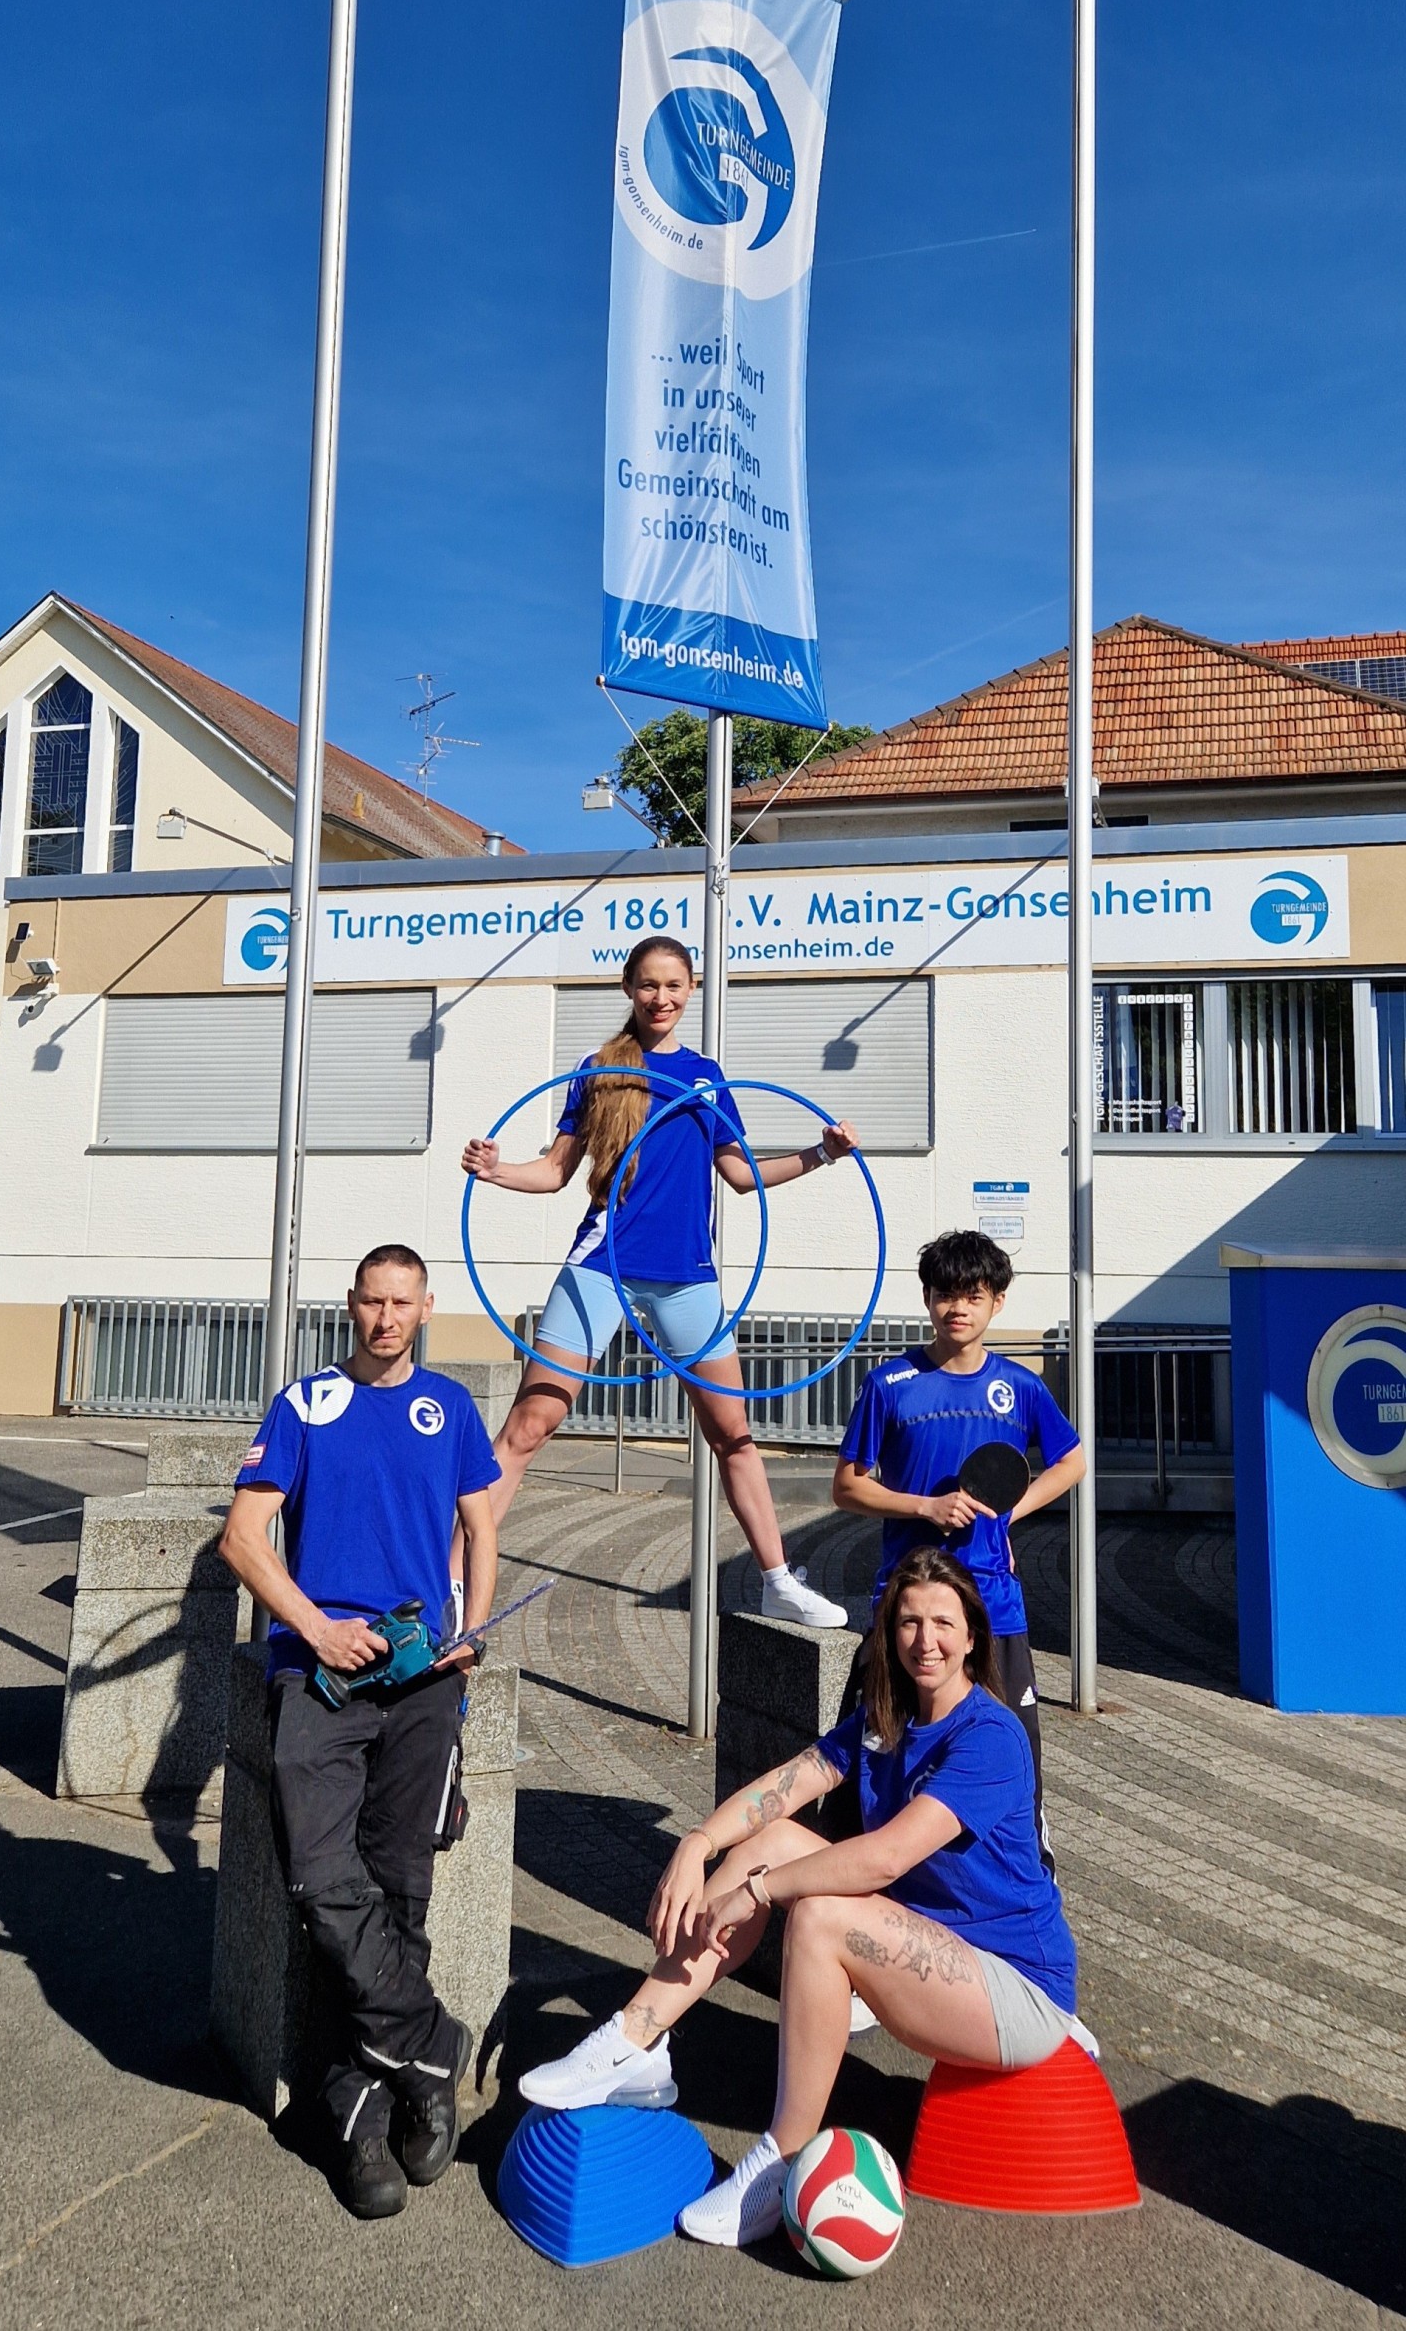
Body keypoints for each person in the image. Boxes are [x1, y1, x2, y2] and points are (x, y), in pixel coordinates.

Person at [518, 1548, 1092, 2250]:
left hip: (1017, 1990)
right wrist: (698, 1843)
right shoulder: (886, 1718)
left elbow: (886, 1856)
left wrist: (760, 1892)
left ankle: (781, 2161)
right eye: (909, 1621)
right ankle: (634, 2040)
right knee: (772, 1840)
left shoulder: (990, 1736)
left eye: (943, 1623)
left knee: (818, 1916)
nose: (926, 1640)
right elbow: (787, 1784)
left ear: (973, 1635)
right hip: (937, 1953)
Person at [218, 1242, 500, 2222]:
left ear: (425, 1308)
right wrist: (315, 1628)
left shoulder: (451, 1408)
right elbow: (241, 1538)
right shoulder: (305, 1404)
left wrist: (470, 1632)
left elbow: (482, 1527)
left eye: (401, 1303)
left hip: (421, 1675)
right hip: (320, 1672)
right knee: (317, 1874)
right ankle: (429, 2046)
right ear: (351, 1303)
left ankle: (363, 2110)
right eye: (372, 1301)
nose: (385, 1318)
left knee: (401, 1884)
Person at [461, 933, 853, 1628]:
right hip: (601, 1265)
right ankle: (452, 1577)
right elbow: (554, 1171)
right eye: (648, 984)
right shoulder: (601, 1068)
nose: (660, 997)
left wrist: (821, 1153)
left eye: (673, 985)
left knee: (733, 1434)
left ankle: (776, 1581)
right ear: (629, 988)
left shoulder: (706, 1075)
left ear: (691, 989)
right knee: (528, 1426)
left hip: (686, 1276)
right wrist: (495, 1170)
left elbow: (740, 1175)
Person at [831, 1228, 1084, 1851]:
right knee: (878, 1745)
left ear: (998, 1301)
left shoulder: (1021, 1387)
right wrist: (925, 1505)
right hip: (905, 1603)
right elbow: (847, 1487)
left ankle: (1027, 1858)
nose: (958, 1308)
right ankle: (859, 1861)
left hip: (993, 1604)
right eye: (946, 1294)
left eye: (973, 1295)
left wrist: (1008, 1514)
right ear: (927, 1299)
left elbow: (1072, 1461)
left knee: (1012, 1746)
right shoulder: (889, 1385)